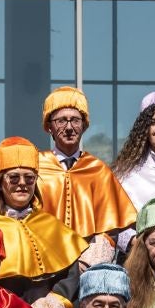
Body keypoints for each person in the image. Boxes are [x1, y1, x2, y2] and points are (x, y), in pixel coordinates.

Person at [0, 134, 89, 308]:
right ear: (0, 183)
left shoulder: (52, 225)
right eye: (14, 178)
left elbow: (71, 278)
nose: (22, 184)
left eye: (29, 178)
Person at [36, 86, 138, 249]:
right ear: (49, 126)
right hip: (44, 255)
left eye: (75, 120)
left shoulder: (98, 170)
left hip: (88, 261)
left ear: (84, 126)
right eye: (61, 120)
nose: (69, 127)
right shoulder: (36, 167)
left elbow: (116, 228)